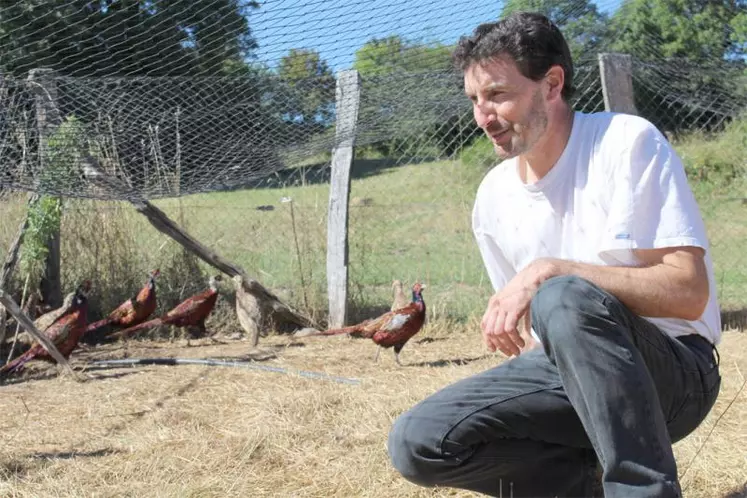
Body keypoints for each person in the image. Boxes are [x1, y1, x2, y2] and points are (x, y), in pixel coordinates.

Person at [386, 11, 722, 498]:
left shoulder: (625, 144)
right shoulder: (492, 198)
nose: (483, 116)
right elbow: (529, 341)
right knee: (417, 442)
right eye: (475, 100)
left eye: (498, 94)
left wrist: (551, 270)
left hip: (674, 376)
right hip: (566, 380)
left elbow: (689, 293)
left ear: (552, 84)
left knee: (562, 296)